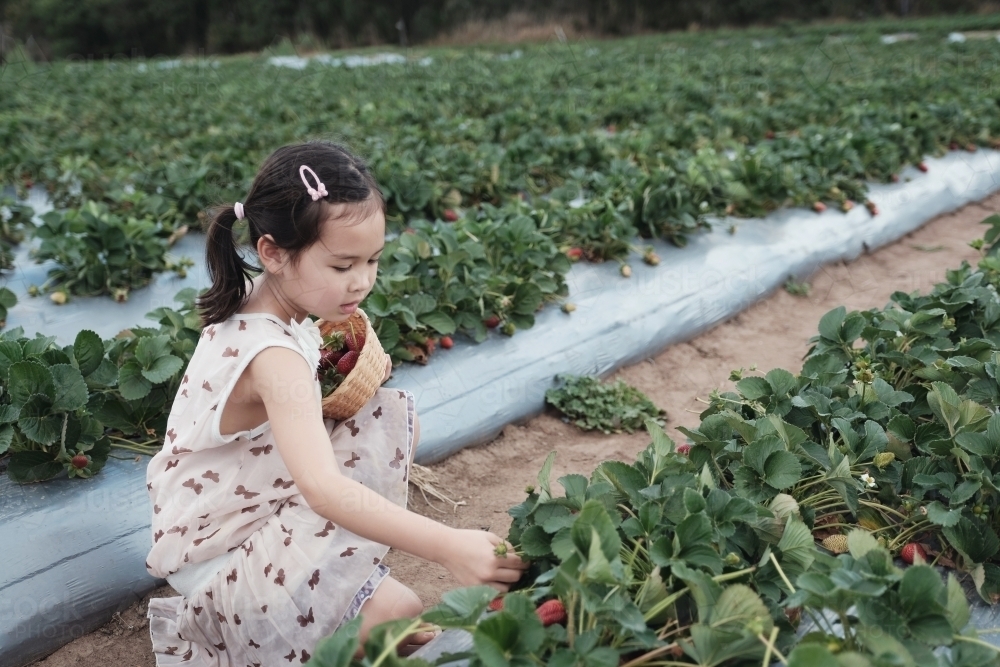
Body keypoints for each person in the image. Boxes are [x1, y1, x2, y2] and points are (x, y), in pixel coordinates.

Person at [144, 140, 528, 666]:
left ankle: (339, 600)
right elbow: (323, 490)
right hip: (219, 550)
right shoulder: (273, 355)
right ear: (273, 252)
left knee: (382, 420)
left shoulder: (266, 298)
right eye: (343, 264)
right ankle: (259, 610)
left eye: (372, 260)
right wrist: (448, 545)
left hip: (240, 498)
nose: (363, 280)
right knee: (400, 611)